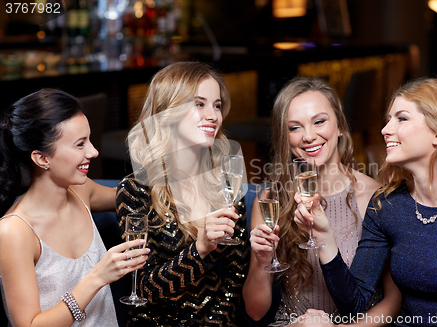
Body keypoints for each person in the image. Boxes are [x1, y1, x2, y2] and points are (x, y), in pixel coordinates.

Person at [295, 77, 437, 326]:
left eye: (401, 118)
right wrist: (324, 236)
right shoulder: (387, 205)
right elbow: (354, 303)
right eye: (389, 119)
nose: (385, 129)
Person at [243, 76, 401, 326]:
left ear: (339, 126)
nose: (308, 136)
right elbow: (255, 311)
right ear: (284, 137)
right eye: (294, 127)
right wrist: (262, 261)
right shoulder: (271, 200)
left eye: (319, 121)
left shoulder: (377, 197)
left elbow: (393, 302)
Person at [116, 61, 250, 326]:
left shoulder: (227, 185)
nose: (213, 115)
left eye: (217, 105)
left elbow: (235, 281)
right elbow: (141, 289)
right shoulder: (136, 190)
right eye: (199, 104)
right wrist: (200, 249)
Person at [0, 88, 149, 327]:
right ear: (42, 159)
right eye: (80, 144)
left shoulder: (81, 191)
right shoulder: (14, 231)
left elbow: (137, 198)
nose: (94, 151)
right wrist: (98, 277)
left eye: (89, 140)